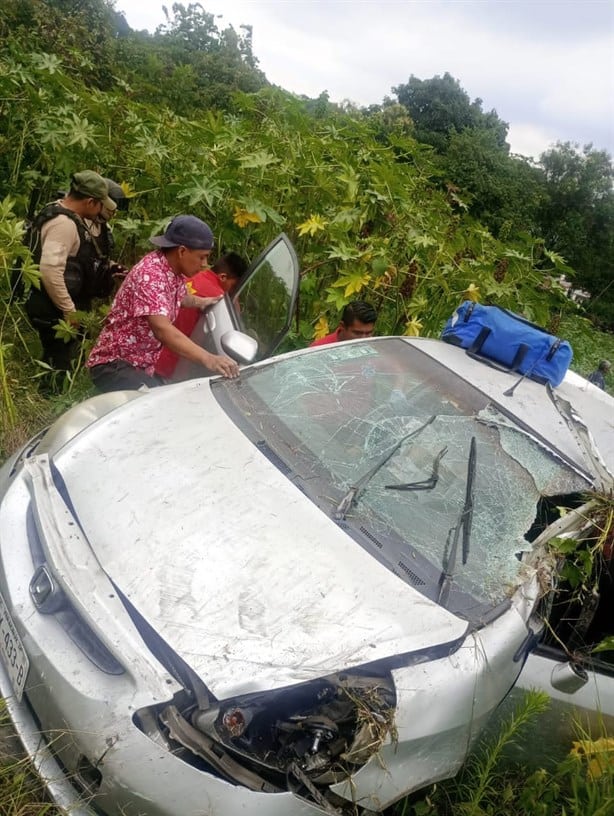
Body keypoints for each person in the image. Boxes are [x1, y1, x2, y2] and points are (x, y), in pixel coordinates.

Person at [87, 215, 240, 392]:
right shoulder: (152, 276)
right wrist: (209, 359)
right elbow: (162, 329)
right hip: (115, 365)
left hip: (138, 365)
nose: (205, 264)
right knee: (153, 406)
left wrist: (204, 302)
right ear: (182, 251)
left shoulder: (171, 269)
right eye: (202, 257)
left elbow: (181, 297)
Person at [25, 170, 116, 374]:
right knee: (60, 365)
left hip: (58, 302)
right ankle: (51, 401)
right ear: (90, 201)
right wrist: (69, 310)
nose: (102, 208)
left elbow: (80, 256)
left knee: (61, 359)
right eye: (101, 203)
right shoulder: (63, 224)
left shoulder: (66, 213)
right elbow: (50, 270)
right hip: (52, 307)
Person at [155, 252, 247, 379]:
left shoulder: (195, 273)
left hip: (155, 350)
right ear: (223, 277)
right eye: (234, 286)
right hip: (171, 363)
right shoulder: (217, 297)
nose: (233, 291)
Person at [310, 301, 377, 346]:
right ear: (342, 326)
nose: (363, 339)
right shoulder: (320, 349)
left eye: (368, 333)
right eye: (357, 333)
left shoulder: (378, 347)